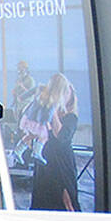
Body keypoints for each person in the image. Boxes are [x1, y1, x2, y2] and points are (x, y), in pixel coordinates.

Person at [30, 73, 80, 211]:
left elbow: (61, 136)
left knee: (66, 200)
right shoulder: (46, 111)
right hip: (45, 162)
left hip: (61, 164)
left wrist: (54, 110)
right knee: (43, 198)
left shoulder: (71, 117)